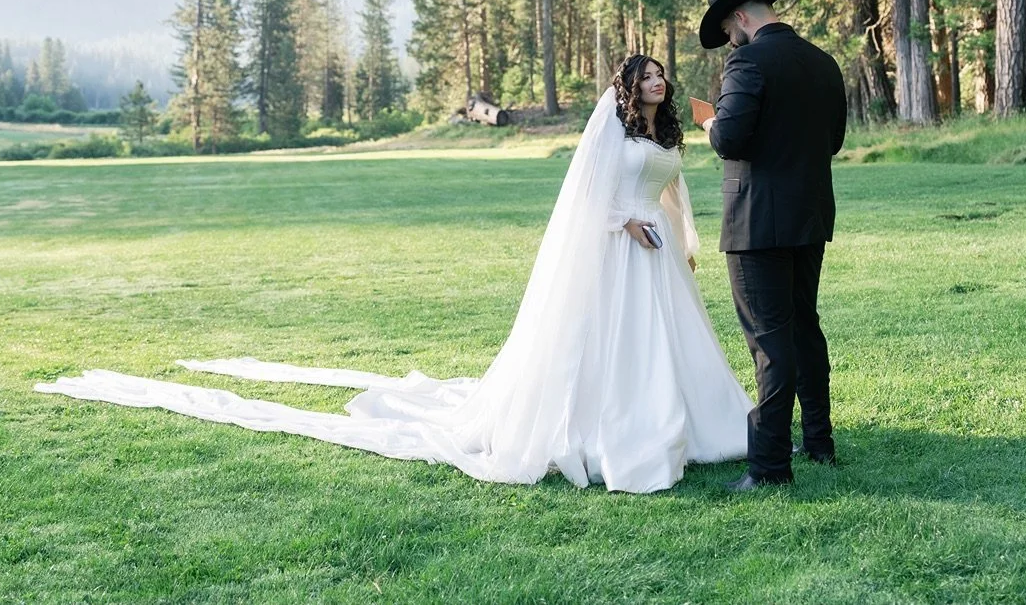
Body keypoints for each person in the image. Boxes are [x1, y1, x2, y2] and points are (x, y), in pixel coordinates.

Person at [37, 55, 753, 493]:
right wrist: (617, 223)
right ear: (629, 85)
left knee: (670, 345)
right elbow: (585, 202)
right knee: (616, 348)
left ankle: (691, 426)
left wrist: (683, 233)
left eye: (661, 72)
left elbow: (672, 185)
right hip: (617, 250)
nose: (659, 80)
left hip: (658, 255)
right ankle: (615, 433)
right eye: (648, 74)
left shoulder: (663, 133)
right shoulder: (613, 133)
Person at [697, 0, 847, 491]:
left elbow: (731, 139)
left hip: (756, 221)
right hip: (809, 215)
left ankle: (769, 467)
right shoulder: (823, 61)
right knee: (804, 325)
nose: (729, 39)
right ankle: (820, 442)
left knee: (769, 341)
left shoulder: (748, 60)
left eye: (727, 26)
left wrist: (710, 123)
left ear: (740, 17)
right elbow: (834, 140)